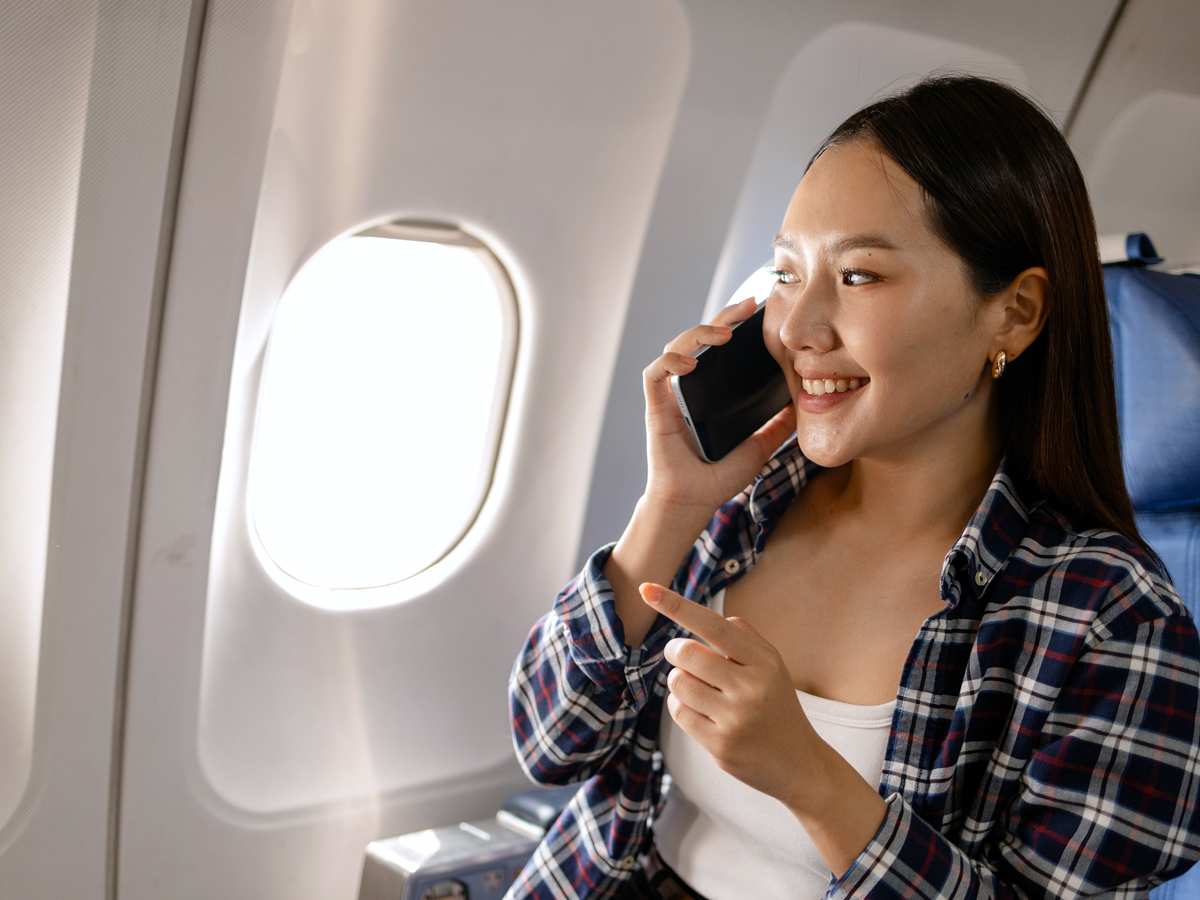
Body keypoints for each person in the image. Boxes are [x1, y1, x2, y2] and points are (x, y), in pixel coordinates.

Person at [506, 75, 1200, 900]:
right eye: (786, 273)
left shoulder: (1112, 622)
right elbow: (552, 745)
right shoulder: (743, 505)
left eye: (862, 276)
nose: (796, 329)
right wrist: (670, 507)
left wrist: (810, 779)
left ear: (1014, 313)